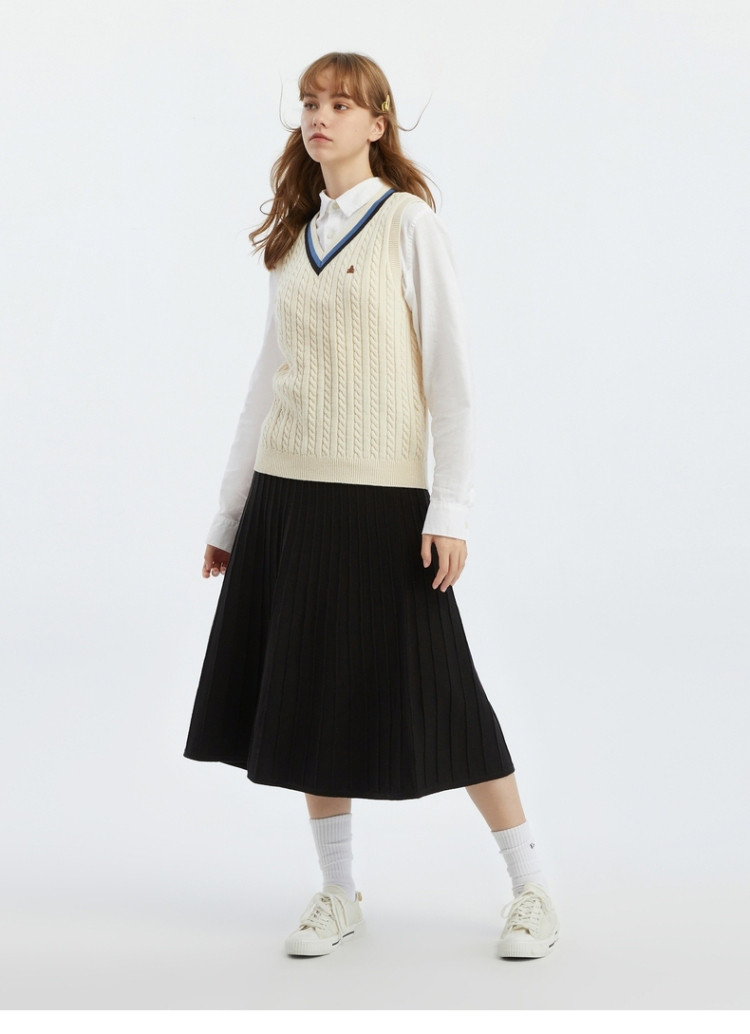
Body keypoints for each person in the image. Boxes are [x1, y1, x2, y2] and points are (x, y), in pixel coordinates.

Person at [183, 51, 560, 960]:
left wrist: (450, 509)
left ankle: (532, 889)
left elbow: (452, 382)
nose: (320, 116)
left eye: (342, 104)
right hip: (286, 500)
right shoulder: (294, 237)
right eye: (310, 103)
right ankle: (338, 890)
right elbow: (265, 385)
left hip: (383, 504)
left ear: (377, 124)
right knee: (309, 695)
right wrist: (231, 517)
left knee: (449, 696)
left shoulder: (409, 225)